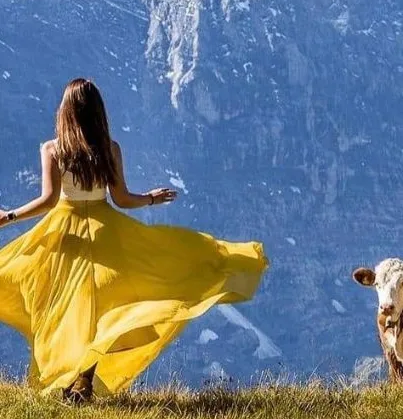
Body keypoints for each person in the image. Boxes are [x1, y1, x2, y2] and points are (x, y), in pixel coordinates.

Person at [0, 78, 268, 402]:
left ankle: (70, 377)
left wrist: (10, 216)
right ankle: (83, 378)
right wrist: (151, 199)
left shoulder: (53, 149)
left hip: (65, 234)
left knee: (63, 308)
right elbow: (122, 199)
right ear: (97, 111)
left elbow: (47, 200)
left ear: (65, 111)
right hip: (106, 231)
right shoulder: (109, 148)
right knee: (105, 309)